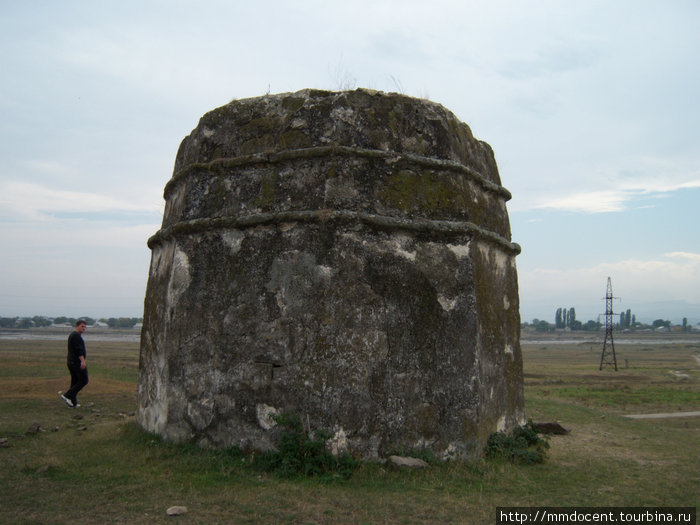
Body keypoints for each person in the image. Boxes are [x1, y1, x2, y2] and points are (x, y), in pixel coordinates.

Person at [60, 320, 89, 408]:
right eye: (82, 326)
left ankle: (73, 403)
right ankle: (67, 395)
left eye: (85, 327)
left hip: (71, 362)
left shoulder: (74, 335)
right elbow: (78, 350)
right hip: (76, 362)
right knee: (84, 380)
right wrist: (82, 361)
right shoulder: (76, 336)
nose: (84, 328)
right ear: (77, 326)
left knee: (75, 381)